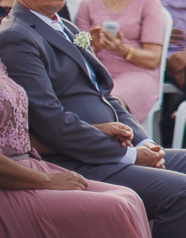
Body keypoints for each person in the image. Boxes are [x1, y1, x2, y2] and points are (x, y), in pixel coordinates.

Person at [0, 0, 186, 238]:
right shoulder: (17, 36)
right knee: (184, 191)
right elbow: (51, 122)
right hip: (77, 160)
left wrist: (143, 142)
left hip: (116, 150)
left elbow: (106, 96)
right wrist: (130, 156)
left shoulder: (66, 26)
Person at [0, 53, 153, 237]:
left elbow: (21, 139)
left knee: (130, 198)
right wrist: (47, 181)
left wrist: (95, 130)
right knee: (115, 206)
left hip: (31, 167)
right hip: (12, 180)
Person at [74, 0, 164, 123]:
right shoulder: (88, 5)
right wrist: (96, 47)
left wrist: (123, 50)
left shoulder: (148, 2)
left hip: (137, 73)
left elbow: (153, 58)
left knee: (111, 102)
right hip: (98, 73)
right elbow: (78, 54)